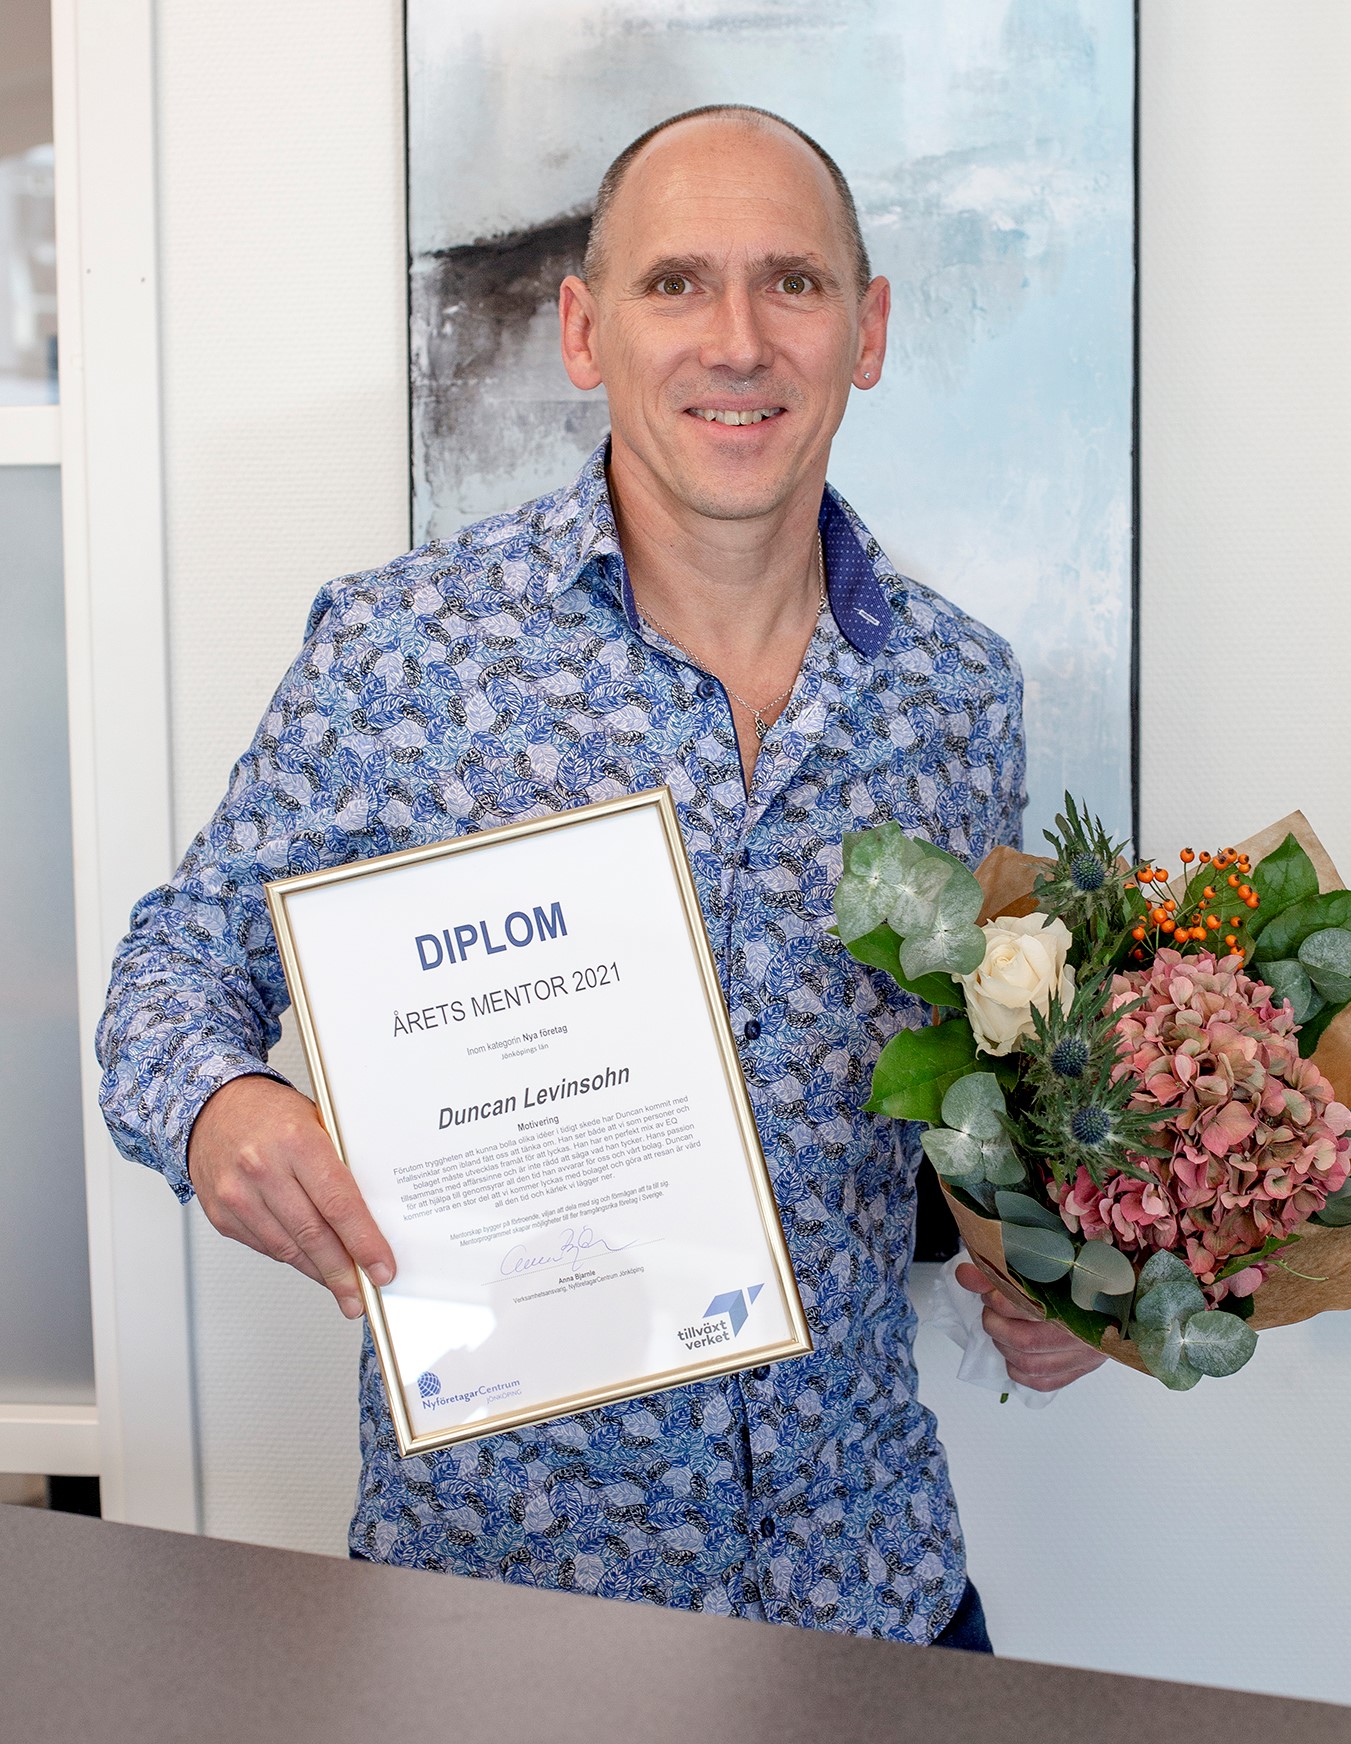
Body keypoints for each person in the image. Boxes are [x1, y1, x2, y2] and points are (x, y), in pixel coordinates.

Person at [97, 104, 1103, 1650]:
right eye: (676, 284)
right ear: (584, 330)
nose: (740, 341)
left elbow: (972, 1093)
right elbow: (170, 976)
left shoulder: (955, 689)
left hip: (874, 1590)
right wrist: (223, 1109)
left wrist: (1062, 1270)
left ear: (868, 328)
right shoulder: (408, 652)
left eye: (796, 283)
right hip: (501, 1610)